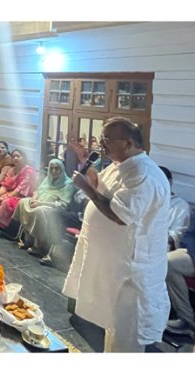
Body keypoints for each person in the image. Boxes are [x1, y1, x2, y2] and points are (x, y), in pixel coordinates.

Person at [63, 117, 171, 352]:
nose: (102, 144)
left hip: (131, 274)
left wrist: (87, 189)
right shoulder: (120, 164)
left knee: (125, 339)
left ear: (129, 143)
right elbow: (108, 191)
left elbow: (121, 215)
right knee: (112, 330)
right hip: (113, 267)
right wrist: (92, 175)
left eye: (107, 140)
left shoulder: (143, 174)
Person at [15, 158, 76, 260]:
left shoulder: (68, 184)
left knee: (40, 211)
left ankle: (39, 245)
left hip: (52, 207)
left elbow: (62, 204)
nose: (53, 171)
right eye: (51, 169)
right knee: (23, 202)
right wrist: (34, 199)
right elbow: (37, 191)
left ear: (62, 170)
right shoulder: (47, 179)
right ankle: (28, 239)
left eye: (57, 169)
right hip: (39, 201)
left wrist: (40, 203)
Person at [159, 166, 191, 251]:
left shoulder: (180, 205)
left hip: (162, 248)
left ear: (169, 182)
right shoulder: (145, 200)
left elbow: (177, 234)